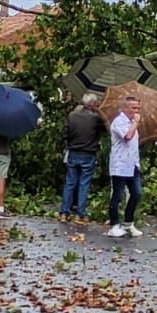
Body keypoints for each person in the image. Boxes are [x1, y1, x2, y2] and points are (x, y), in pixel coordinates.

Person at [59, 93, 103, 224]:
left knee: (70, 183)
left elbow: (65, 134)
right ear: (93, 104)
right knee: (84, 184)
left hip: (73, 152)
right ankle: (80, 214)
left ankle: (64, 213)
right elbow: (105, 130)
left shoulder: (72, 116)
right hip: (88, 153)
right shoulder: (95, 119)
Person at [106, 93, 143, 238]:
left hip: (132, 163)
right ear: (126, 108)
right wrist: (135, 123)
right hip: (120, 164)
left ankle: (128, 222)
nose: (136, 111)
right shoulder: (119, 122)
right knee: (118, 194)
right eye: (133, 108)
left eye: (137, 108)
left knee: (136, 193)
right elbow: (127, 137)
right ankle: (114, 224)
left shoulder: (132, 122)